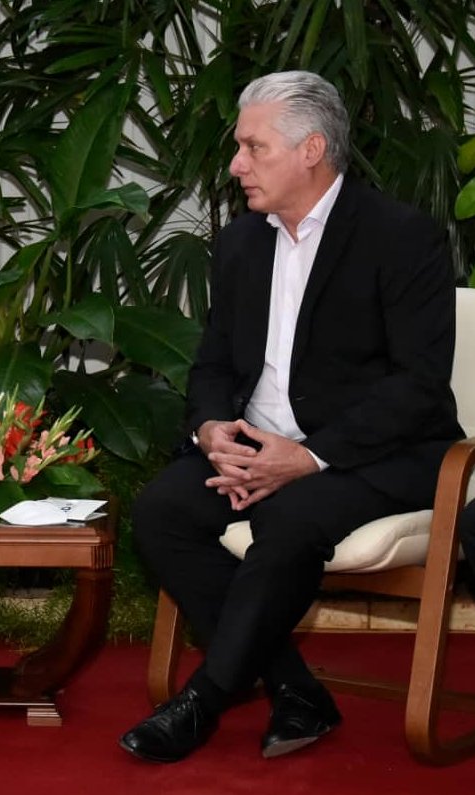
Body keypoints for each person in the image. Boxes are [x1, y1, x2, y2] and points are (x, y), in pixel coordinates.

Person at [119, 70, 462, 763]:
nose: (236, 164)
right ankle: (293, 686)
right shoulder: (242, 242)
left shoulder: (400, 236)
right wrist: (211, 430)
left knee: (288, 518)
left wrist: (304, 458)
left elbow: (417, 386)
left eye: (253, 147)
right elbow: (212, 365)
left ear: (310, 150)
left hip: (375, 453)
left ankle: (205, 700)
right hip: (257, 446)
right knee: (161, 511)